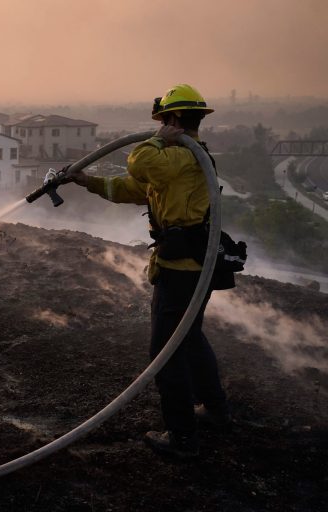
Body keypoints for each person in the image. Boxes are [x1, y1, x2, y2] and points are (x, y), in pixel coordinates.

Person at [63, 84, 230, 457]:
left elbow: (138, 163)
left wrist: (157, 140)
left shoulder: (181, 156)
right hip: (190, 266)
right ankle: (216, 410)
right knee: (189, 338)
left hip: (182, 269)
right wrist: (85, 181)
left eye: (163, 121)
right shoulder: (179, 163)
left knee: (165, 351)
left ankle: (182, 436)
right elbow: (132, 188)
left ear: (171, 120)